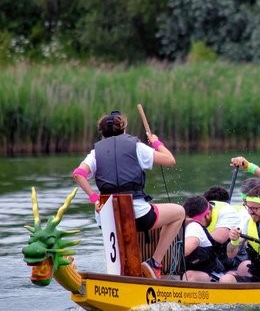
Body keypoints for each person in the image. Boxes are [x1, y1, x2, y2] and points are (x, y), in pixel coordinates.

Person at [72, 110, 185, 279]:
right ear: (124, 129)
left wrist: (94, 199)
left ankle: (120, 273)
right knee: (179, 213)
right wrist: (156, 142)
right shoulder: (136, 146)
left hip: (107, 218)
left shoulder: (95, 153)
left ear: (102, 133)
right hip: (138, 214)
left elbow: (78, 174)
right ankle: (154, 264)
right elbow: (170, 160)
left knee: (118, 232)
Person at [182, 195, 242, 282]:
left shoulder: (194, 227)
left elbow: (186, 249)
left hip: (220, 269)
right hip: (204, 267)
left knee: (189, 275)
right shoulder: (193, 224)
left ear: (208, 214)